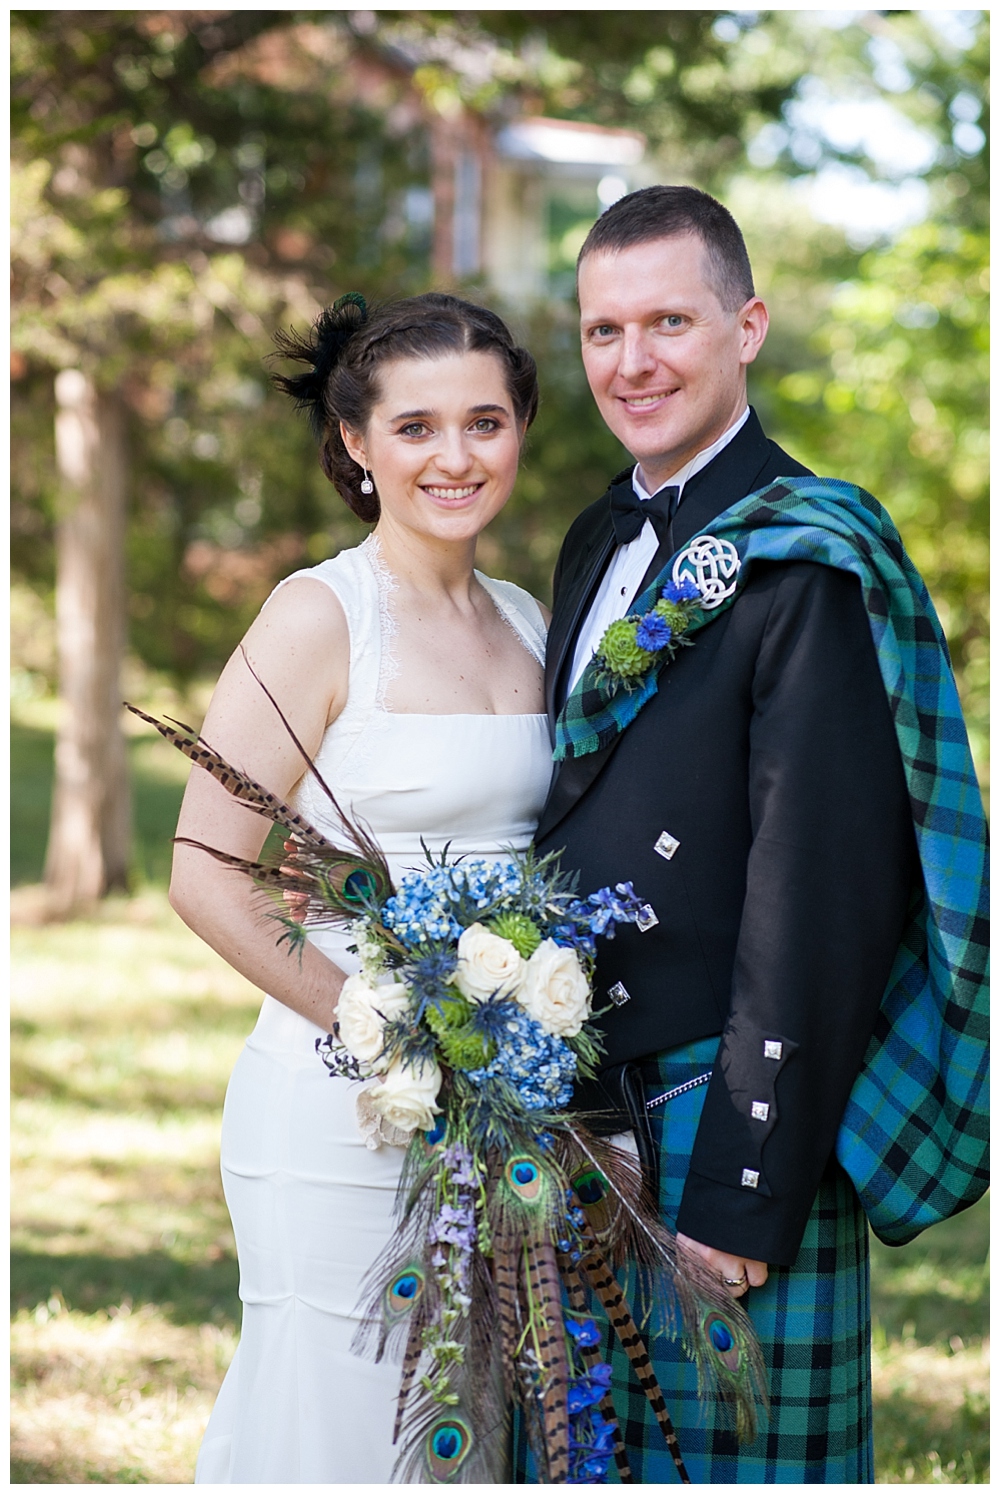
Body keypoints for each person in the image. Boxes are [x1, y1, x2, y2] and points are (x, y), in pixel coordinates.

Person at [529, 184, 935, 1483]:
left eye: (669, 321)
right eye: (603, 331)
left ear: (746, 325)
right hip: (583, 1111)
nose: (632, 360)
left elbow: (822, 886)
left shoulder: (808, 553)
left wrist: (744, 1184)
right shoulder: (597, 535)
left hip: (729, 1110)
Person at [169, 292, 553, 1483]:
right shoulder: (315, 616)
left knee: (466, 1418)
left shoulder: (533, 622)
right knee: (338, 1423)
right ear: (356, 442)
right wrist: (377, 1023)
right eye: (417, 427)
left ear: (520, 431)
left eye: (485, 423)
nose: (454, 457)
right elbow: (205, 869)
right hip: (342, 1103)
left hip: (507, 1112)